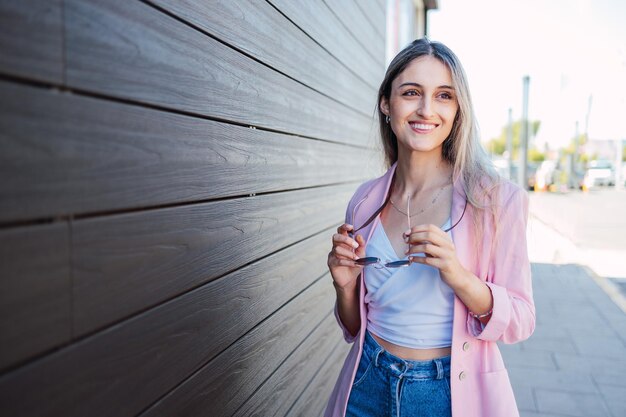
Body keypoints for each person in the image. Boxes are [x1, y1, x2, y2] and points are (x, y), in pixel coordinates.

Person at [324, 38, 535, 417]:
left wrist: (459, 276)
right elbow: (355, 328)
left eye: (443, 96)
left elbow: (520, 320)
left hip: (447, 395)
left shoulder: (495, 202)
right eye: (411, 92)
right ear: (387, 104)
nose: (426, 109)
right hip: (366, 383)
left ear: (458, 110)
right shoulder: (365, 201)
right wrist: (344, 286)